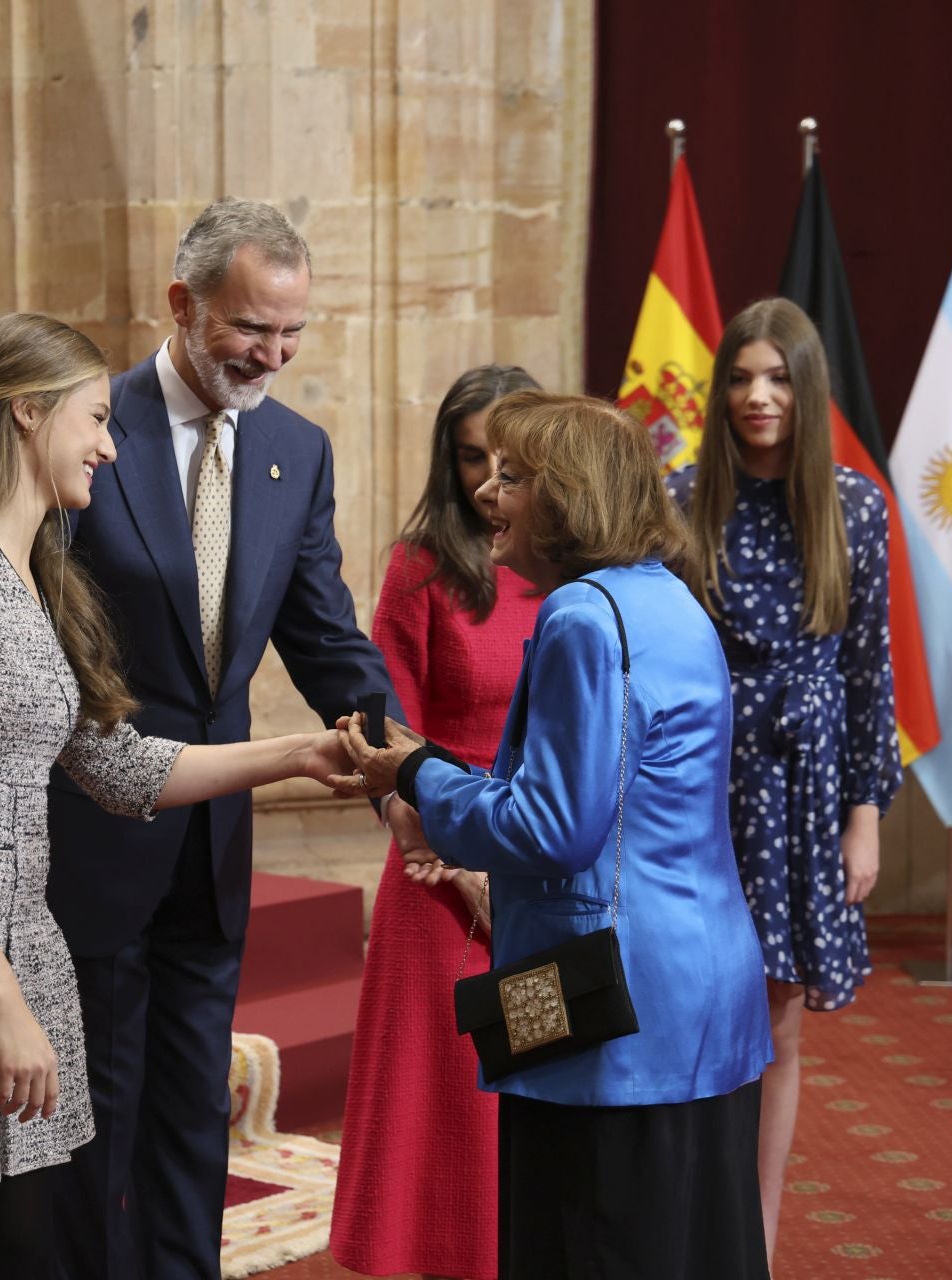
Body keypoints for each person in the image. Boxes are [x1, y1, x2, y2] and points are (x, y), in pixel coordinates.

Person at [0, 313, 352, 1278]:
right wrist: (1, 1002)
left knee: (30, 1255)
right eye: (93, 419)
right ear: (26, 415)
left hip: (11, 953)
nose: (110, 444)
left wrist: (293, 755)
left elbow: (115, 765)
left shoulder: (33, 574)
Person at [337, 390, 774, 1280]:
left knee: (591, 1245)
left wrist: (413, 774)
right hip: (702, 989)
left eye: (516, 477)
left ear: (569, 496)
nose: (491, 495)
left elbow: (554, 827)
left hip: (608, 1006)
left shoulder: (582, 615)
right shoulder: (672, 600)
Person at [44, 199, 398, 1278]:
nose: (272, 355)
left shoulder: (297, 448)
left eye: (293, 332)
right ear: (183, 304)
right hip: (96, 825)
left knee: (195, 1099)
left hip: (214, 841)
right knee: (97, 1106)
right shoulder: (89, 426)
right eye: (251, 328)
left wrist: (403, 775)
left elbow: (327, 637)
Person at [665, 297, 904, 1264]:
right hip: (700, 782)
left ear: (808, 388)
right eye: (740, 377)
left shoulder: (855, 504)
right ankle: (687, 1227)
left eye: (777, 377)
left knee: (777, 1022)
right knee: (689, 1005)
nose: (758, 396)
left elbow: (868, 668)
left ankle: (753, 1243)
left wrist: (865, 816)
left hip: (803, 795)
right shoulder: (681, 498)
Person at [330, 364, 543, 1280]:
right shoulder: (422, 567)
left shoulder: (569, 573)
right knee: (445, 1108)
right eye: (468, 459)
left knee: (531, 1095)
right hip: (437, 875)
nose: (487, 483)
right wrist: (457, 863)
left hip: (544, 872)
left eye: (507, 460)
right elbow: (390, 733)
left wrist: (513, 871)